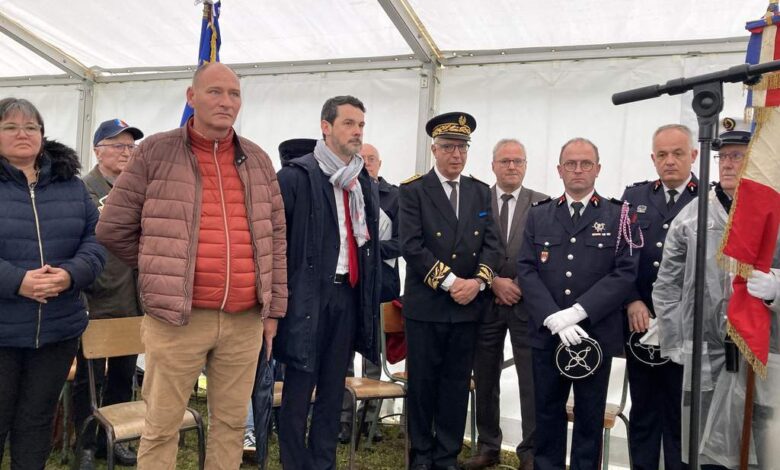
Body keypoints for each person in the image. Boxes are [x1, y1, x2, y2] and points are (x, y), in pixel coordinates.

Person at [95, 62, 288, 470]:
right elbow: (113, 228)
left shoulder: (258, 159)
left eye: (234, 94)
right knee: (162, 425)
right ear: (191, 97)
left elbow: (275, 240)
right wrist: (160, 269)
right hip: (177, 320)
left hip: (244, 320)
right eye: (215, 92)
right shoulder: (155, 151)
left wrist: (274, 310)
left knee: (232, 425)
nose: (226, 102)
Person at [516, 138, 639, 470]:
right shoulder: (539, 216)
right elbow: (525, 268)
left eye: (586, 163)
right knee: (546, 412)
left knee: (589, 414)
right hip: (548, 334)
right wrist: (553, 317)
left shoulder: (618, 215)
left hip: (593, 335)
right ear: (559, 170)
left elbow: (625, 272)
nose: (579, 170)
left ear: (598, 169)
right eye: (571, 163)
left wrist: (577, 312)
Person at [275, 95, 381, 470]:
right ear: (326, 126)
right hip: (306, 299)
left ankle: (323, 462)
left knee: (334, 389)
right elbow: (276, 245)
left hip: (346, 295)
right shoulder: (295, 176)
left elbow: (369, 246)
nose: (357, 132)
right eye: (349, 123)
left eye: (361, 125)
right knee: (299, 390)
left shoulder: (361, 182)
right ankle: (294, 462)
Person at [0, 97, 106, 469]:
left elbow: (96, 243)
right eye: (10, 127)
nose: (22, 134)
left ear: (43, 135)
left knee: (37, 421)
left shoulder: (70, 185)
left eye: (31, 127)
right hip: (3, 331)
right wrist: (18, 281)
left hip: (58, 330)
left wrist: (69, 274)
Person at [399, 112, 500, 470]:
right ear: (434, 149)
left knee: (456, 387)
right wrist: (451, 282)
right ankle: (421, 456)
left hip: (467, 308)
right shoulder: (412, 190)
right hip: (427, 307)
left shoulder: (480, 191)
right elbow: (411, 246)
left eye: (462, 148)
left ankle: (446, 457)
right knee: (424, 386)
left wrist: (478, 283)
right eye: (448, 147)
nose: (456, 155)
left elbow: (493, 246)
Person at [653, 129, 758, 469]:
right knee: (702, 443)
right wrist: (678, 340)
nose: (727, 164)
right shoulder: (693, 217)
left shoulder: (770, 212)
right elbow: (666, 284)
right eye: (723, 157)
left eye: (737, 156)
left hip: (760, 350)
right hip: (705, 348)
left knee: (757, 439)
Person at [461, 138, 547, 470]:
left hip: (526, 305)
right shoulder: (476, 201)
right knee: (485, 377)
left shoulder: (542, 204)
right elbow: (467, 248)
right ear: (493, 165)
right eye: (505, 161)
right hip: (485, 301)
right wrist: (493, 280)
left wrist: (519, 286)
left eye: (517, 161)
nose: (511, 166)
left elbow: (546, 254)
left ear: (526, 166)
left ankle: (530, 451)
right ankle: (488, 446)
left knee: (531, 379)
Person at [619, 124, 699, 470]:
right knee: (644, 412)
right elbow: (620, 256)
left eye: (678, 153)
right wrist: (631, 299)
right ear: (653, 159)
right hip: (641, 324)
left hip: (687, 326)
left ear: (694, 155)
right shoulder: (634, 198)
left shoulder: (707, 199)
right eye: (662, 155)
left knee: (679, 415)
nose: (670, 161)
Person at [73, 118, 145, 470]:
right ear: (97, 149)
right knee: (89, 379)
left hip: (132, 299)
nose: (126, 152)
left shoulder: (139, 188)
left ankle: (113, 440)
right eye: (117, 145)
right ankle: (85, 444)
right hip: (96, 297)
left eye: (131, 147)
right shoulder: (83, 190)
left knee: (122, 376)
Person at [339, 142, 401, 444]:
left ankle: (370, 422)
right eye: (360, 159)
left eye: (371, 159)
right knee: (344, 354)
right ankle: (344, 421)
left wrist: (370, 252)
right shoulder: (346, 191)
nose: (366, 163)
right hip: (349, 285)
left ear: (380, 163)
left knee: (374, 355)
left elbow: (404, 241)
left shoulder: (395, 196)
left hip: (383, 285)